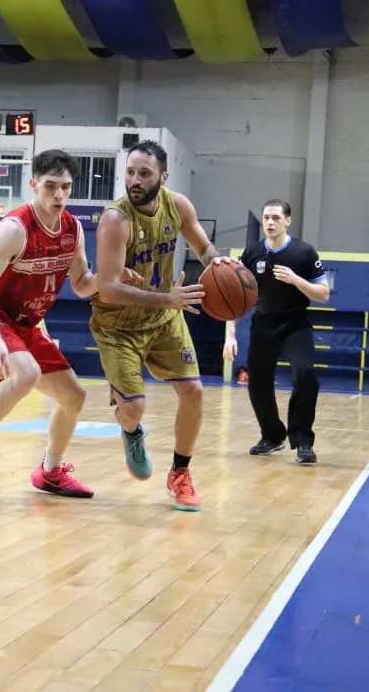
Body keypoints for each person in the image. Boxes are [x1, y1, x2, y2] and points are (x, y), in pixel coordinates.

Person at [0, 149, 140, 498]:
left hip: (25, 325)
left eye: (66, 187)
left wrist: (110, 276)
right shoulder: (15, 229)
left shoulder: (73, 229)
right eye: (51, 186)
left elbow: (81, 285)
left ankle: (50, 472)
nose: (59, 195)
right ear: (34, 185)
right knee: (26, 373)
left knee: (74, 397)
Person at [91, 140, 230, 512]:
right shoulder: (115, 220)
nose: (134, 180)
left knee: (195, 392)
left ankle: (180, 474)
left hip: (164, 317)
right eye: (131, 172)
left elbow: (203, 247)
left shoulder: (178, 205)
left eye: (144, 173)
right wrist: (168, 298)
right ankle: (131, 430)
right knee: (134, 408)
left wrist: (220, 265)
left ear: (163, 177)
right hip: (117, 324)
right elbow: (108, 289)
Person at [222, 199, 331, 464]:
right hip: (264, 322)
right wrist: (230, 335)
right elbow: (234, 297)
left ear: (287, 221)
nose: (270, 223)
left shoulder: (304, 253)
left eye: (275, 218)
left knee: (306, 376)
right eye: (266, 218)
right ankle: (272, 436)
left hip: (295, 324)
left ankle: (303, 440)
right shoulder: (252, 252)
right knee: (257, 382)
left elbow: (324, 294)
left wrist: (296, 279)